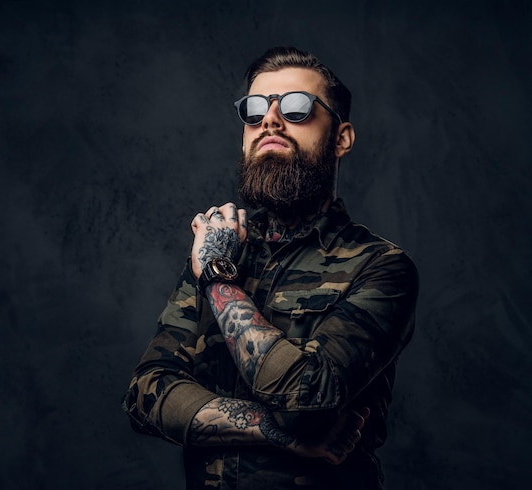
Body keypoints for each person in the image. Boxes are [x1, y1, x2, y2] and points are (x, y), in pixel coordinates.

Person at [122, 46, 419, 489]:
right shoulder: (221, 249)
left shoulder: (380, 267)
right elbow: (146, 394)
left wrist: (219, 280)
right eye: (255, 109)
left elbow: (306, 398)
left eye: (298, 108)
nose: (270, 121)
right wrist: (280, 434)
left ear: (342, 138)